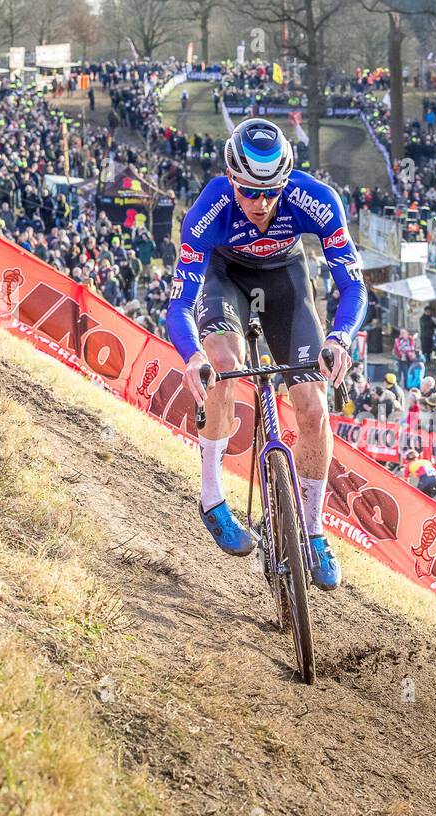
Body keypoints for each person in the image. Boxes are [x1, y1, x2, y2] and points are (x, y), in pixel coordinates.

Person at [169, 119, 364, 590]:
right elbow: (179, 303)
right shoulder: (208, 210)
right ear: (232, 179)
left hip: (286, 283)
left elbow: (353, 285)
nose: (261, 204)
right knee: (224, 367)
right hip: (226, 280)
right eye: (250, 193)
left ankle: (314, 531)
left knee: (315, 409)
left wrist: (339, 338)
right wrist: (192, 354)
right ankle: (212, 499)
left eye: (272, 193)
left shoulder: (315, 199)